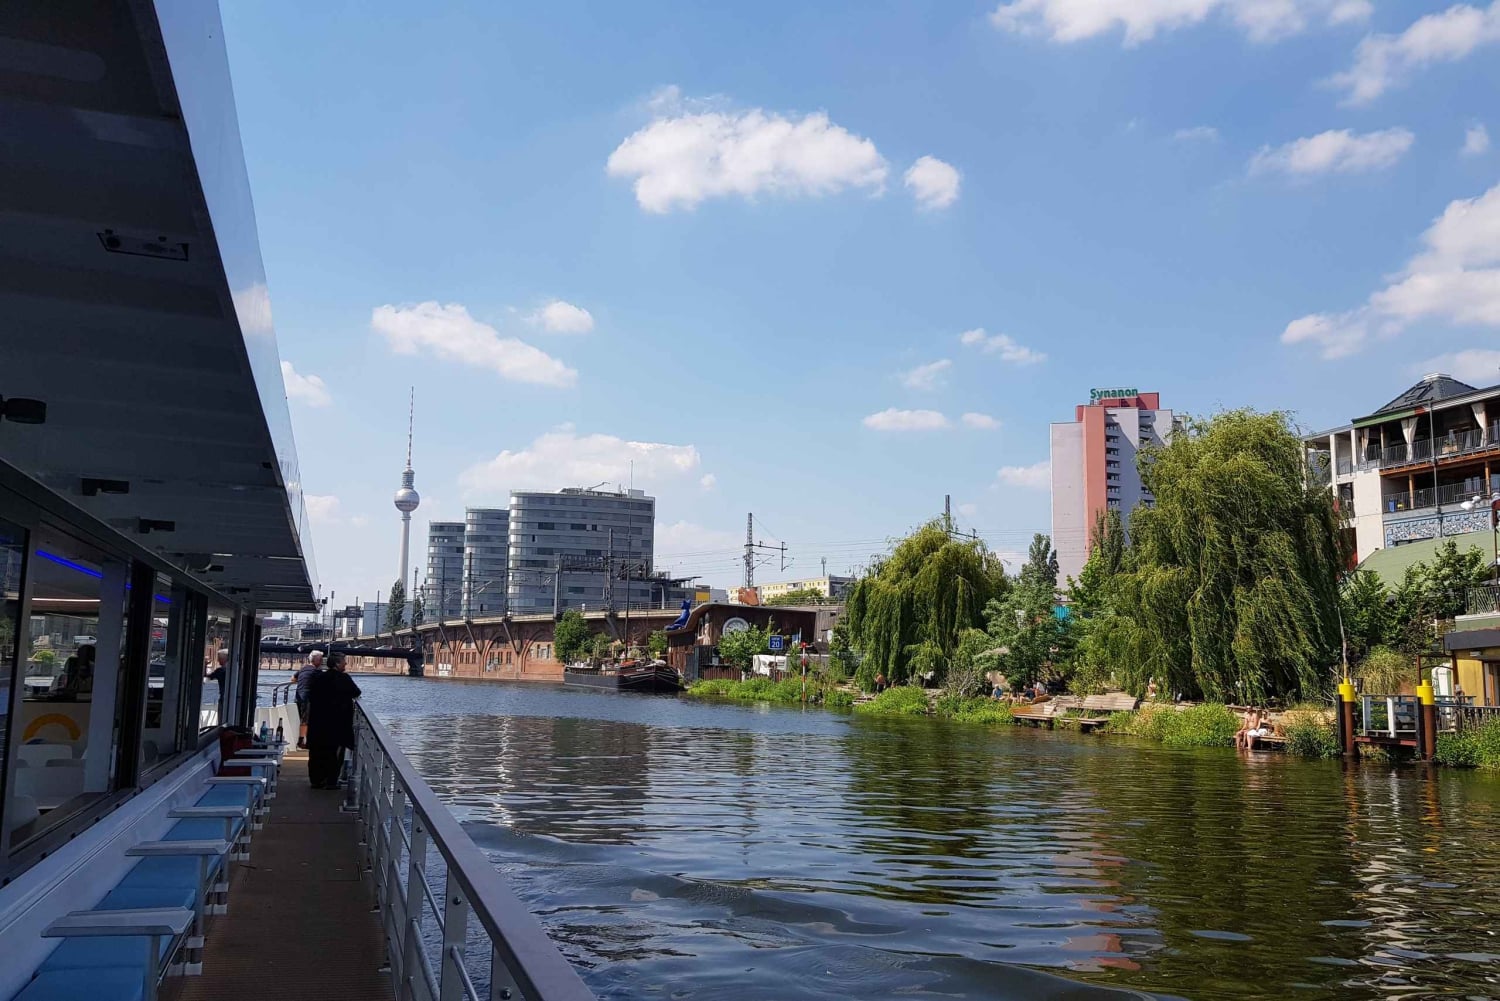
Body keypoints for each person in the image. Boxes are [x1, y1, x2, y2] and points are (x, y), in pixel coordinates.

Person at [305, 651, 361, 790]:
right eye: (344, 661)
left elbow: (311, 696)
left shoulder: (318, 677)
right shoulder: (344, 678)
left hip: (318, 721)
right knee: (334, 752)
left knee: (317, 751)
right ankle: (331, 781)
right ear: (337, 663)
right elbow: (356, 692)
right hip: (337, 722)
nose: (346, 663)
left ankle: (316, 780)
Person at [292, 650, 323, 750]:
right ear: (315, 661)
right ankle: (302, 741)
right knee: (306, 720)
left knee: (301, 718)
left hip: (298, 696)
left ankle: (302, 740)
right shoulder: (317, 671)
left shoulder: (303, 669)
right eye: (320, 660)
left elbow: (292, 679)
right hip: (308, 698)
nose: (322, 662)